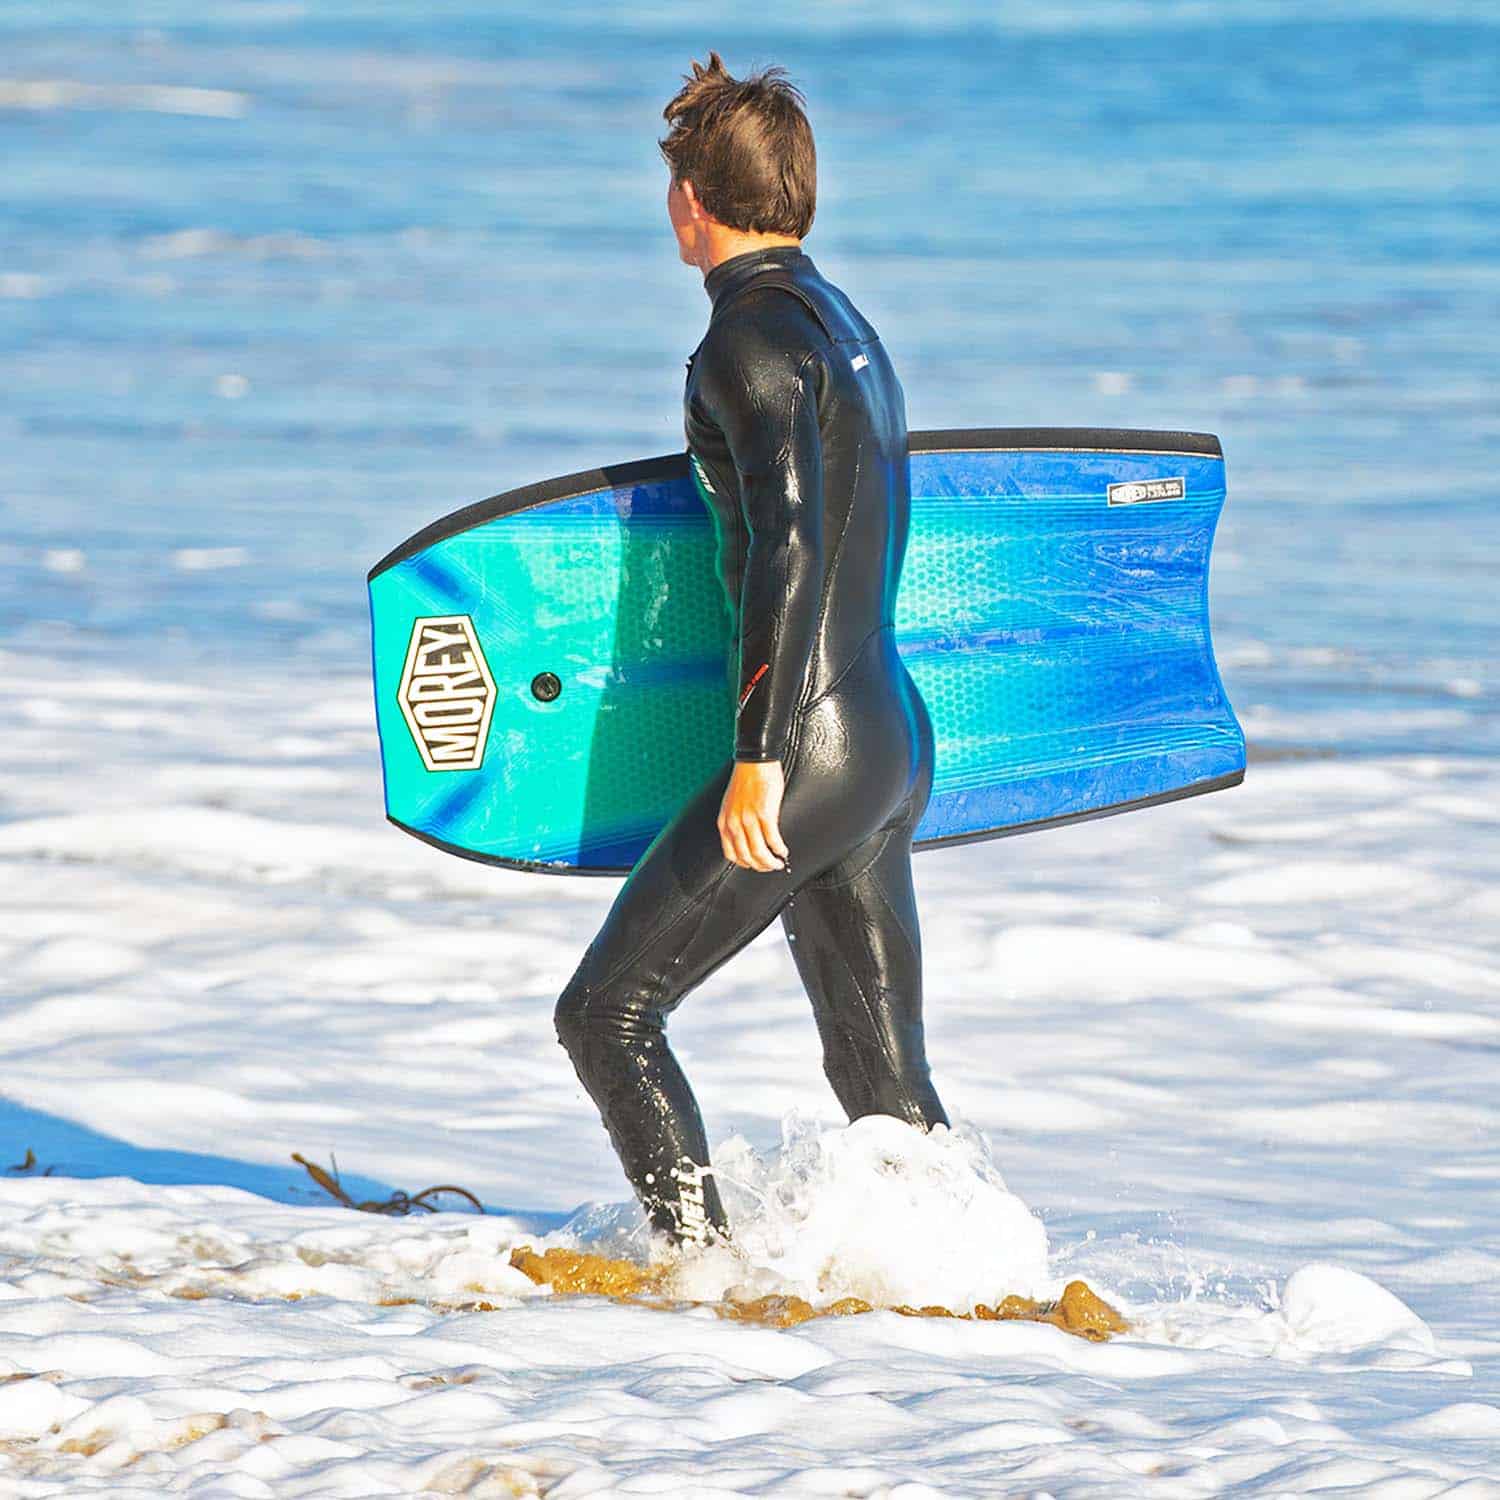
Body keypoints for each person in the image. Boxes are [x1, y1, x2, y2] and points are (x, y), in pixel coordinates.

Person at [554, 52, 947, 1248]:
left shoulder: (748, 344)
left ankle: (700, 1275)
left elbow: (787, 546)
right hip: (885, 730)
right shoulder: (844, 323)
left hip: (807, 747)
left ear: (691, 199)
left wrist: (759, 755)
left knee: (609, 1014)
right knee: (882, 1086)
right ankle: (980, 1286)